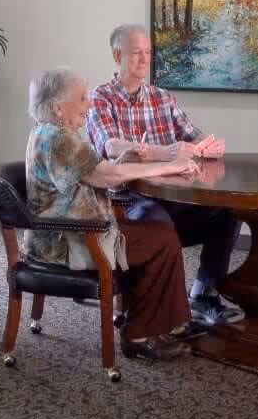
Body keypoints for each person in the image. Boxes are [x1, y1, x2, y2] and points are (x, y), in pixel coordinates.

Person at [25, 67, 201, 360]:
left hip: (65, 232)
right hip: (67, 242)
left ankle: (145, 321)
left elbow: (99, 171)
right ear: (58, 108)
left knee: (153, 230)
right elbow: (105, 178)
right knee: (162, 238)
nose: (89, 104)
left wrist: (124, 159)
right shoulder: (59, 138)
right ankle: (139, 334)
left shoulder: (48, 133)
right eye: (82, 98)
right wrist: (172, 164)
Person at [85, 24, 242, 326]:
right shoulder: (101, 97)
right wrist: (166, 152)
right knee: (158, 221)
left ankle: (204, 292)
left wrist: (207, 145)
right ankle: (156, 309)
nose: (144, 59)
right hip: (127, 199)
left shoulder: (162, 97)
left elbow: (194, 136)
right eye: (136, 53)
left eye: (148, 53)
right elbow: (110, 146)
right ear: (117, 55)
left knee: (227, 212)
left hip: (173, 194)